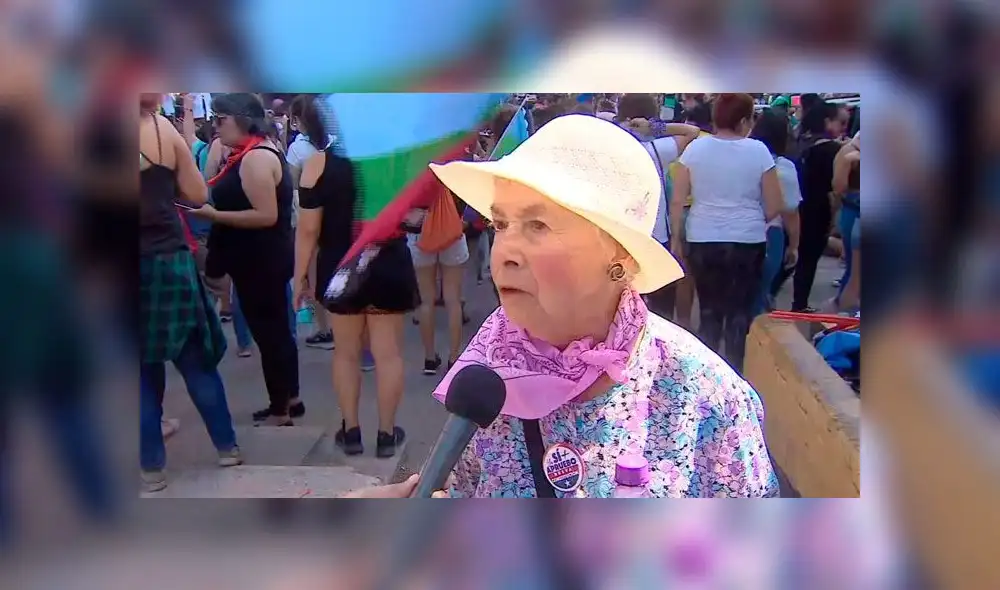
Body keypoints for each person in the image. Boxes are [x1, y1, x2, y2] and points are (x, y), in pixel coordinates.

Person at [391, 113, 777, 497]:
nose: (504, 252)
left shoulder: (705, 395)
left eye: (537, 226)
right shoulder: (486, 369)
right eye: (501, 225)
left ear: (620, 255)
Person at [139, 94, 241, 492]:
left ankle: (151, 469)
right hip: (168, 257)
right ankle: (227, 447)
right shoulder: (161, 130)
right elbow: (198, 194)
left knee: (139, 374)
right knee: (195, 360)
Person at [294, 141, 419, 458]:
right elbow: (415, 217)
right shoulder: (397, 156)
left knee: (346, 353)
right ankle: (386, 434)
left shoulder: (318, 163)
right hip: (387, 259)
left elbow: (308, 230)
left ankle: (351, 431)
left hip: (341, 266)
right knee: (388, 354)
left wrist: (299, 277)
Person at [189, 93, 301, 426]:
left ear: (242, 119)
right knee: (277, 332)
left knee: (270, 335)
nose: (216, 126)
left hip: (260, 262)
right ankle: (289, 399)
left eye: (221, 119)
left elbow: (266, 215)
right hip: (262, 260)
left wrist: (215, 215)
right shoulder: (252, 152)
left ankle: (280, 409)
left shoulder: (255, 159)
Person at [670, 93, 783, 370]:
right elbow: (774, 205)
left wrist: (676, 238)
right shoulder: (759, 151)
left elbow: (678, 199)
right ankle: (736, 373)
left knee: (708, 311)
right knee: (738, 314)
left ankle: (708, 378)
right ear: (744, 120)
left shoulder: (695, 150)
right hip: (747, 239)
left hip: (702, 236)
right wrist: (751, 217)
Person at [287, 94, 337, 349]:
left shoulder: (297, 149)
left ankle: (325, 329)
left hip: (309, 216)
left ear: (297, 120)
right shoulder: (335, 144)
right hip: (337, 218)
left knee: (315, 273)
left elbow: (293, 185)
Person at [790, 101, 849, 312]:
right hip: (818, 210)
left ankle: (785, 299)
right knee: (808, 259)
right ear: (827, 121)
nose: (844, 128)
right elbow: (836, 188)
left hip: (796, 206)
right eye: (841, 122)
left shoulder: (801, 141)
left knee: (794, 257)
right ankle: (799, 304)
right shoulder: (833, 150)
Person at [407, 187, 470, 374]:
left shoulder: (411, 170)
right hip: (451, 230)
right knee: (453, 299)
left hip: (419, 232)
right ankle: (454, 357)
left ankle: (429, 358)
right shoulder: (451, 168)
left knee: (426, 300)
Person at [750, 109, 801, 315]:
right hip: (769, 234)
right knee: (760, 293)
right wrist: (794, 246)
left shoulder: (740, 160)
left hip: (730, 230)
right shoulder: (784, 167)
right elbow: (790, 212)